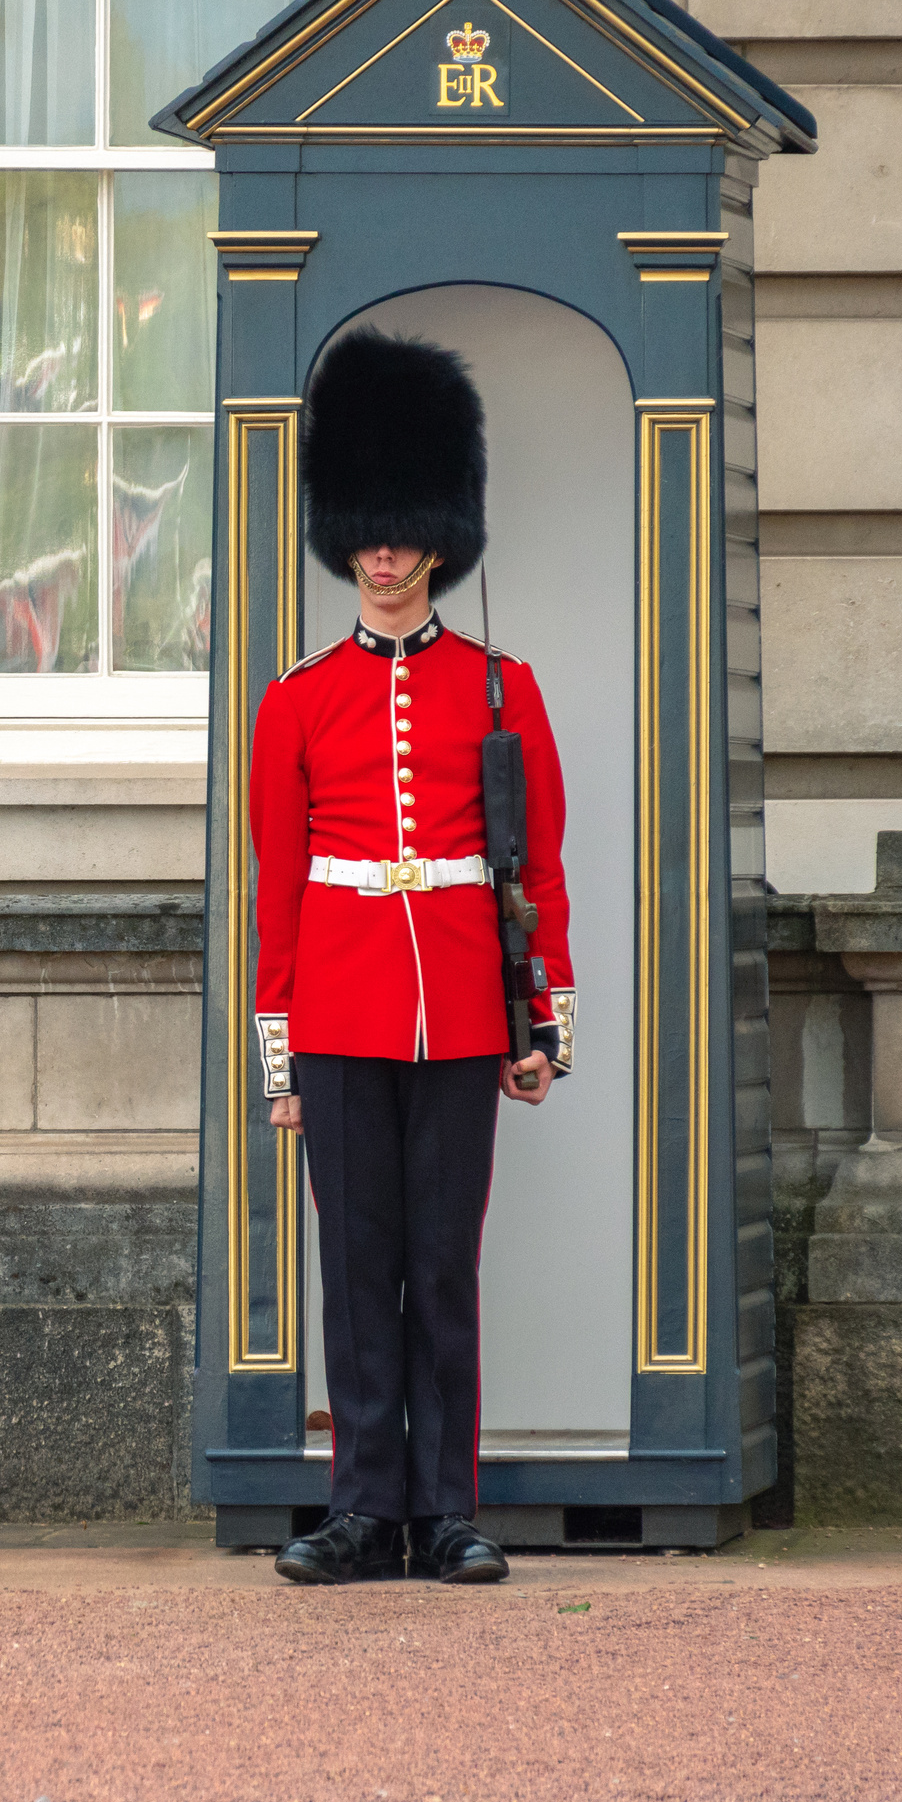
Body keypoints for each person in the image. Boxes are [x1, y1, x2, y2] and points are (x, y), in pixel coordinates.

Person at [254, 327, 575, 1587]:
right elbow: (279, 889)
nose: (381, 554)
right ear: (346, 539)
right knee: (355, 1270)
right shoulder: (298, 697)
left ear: (437, 536)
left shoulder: (504, 690)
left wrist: (541, 1023)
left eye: (399, 532)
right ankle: (361, 1506)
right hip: (336, 1008)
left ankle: (445, 1509)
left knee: (440, 1266)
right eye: (365, 534)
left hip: (456, 1009)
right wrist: (279, 1051)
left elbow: (536, 870)